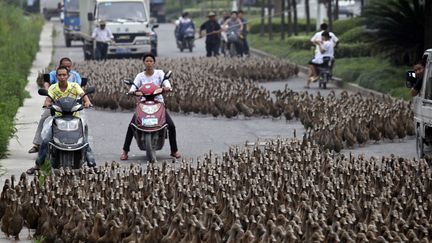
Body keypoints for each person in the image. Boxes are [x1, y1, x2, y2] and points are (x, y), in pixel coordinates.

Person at [26, 66, 94, 175]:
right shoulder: (53, 88)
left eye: (64, 75)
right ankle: (37, 165)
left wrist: (87, 102)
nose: (62, 77)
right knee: (46, 140)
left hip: (75, 117)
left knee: (84, 141)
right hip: (57, 117)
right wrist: (47, 104)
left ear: (68, 76)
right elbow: (48, 100)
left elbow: (83, 95)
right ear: (56, 76)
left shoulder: (75, 86)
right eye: (60, 75)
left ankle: (92, 164)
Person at [120, 53, 181, 160]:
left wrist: (166, 88)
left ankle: (174, 151)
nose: (149, 63)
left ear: (154, 63)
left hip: (158, 103)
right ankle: (125, 151)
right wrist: (132, 92)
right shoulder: (140, 76)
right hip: (143, 103)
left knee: (171, 126)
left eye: (151, 61)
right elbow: (133, 88)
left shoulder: (160, 74)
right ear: (144, 63)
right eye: (147, 61)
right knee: (131, 126)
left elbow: (167, 84)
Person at [28, 57, 81, 154]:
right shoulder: (53, 74)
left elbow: (81, 88)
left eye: (69, 67)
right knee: (44, 118)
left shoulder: (76, 76)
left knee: (82, 123)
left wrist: (85, 101)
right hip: (56, 105)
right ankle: (37, 144)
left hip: (72, 106)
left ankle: (82, 146)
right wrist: (48, 96)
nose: (63, 76)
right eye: (65, 66)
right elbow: (47, 83)